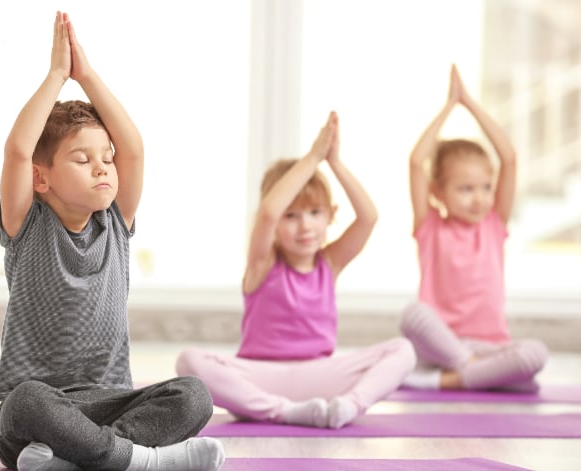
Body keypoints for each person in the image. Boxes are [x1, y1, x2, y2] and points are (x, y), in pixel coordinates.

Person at [0, 12, 224, 471]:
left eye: (106, 159)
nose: (102, 168)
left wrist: (89, 76)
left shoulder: (116, 222)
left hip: (111, 404)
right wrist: (58, 75)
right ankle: (141, 461)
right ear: (41, 178)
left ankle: (86, 459)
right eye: (82, 158)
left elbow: (133, 148)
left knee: (194, 396)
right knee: (27, 401)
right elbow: (18, 149)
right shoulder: (27, 225)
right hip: (38, 415)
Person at [176, 112, 416, 429]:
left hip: (320, 376)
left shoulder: (330, 263)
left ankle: (348, 406)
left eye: (314, 213)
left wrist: (335, 163)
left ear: (330, 215)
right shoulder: (262, 264)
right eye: (291, 216)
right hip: (260, 378)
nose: (305, 226)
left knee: (404, 351)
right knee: (188, 361)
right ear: (276, 224)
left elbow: (368, 217)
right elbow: (268, 212)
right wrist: (313, 156)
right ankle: (283, 411)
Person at [399, 64, 548, 392]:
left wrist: (470, 103)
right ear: (437, 192)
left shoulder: (494, 224)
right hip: (441, 345)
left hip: (488, 345)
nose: (479, 199)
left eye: (484, 187)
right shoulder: (430, 227)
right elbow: (415, 161)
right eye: (465, 189)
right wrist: (449, 107)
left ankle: (448, 380)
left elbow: (508, 157)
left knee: (535, 354)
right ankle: (478, 375)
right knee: (412, 315)